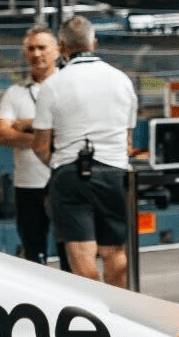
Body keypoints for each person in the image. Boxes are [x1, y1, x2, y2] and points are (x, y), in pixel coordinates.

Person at [29, 16, 139, 286]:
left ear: (63, 46)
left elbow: (41, 146)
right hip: (114, 172)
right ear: (93, 42)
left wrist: (59, 166)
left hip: (70, 175)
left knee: (82, 262)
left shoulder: (53, 85)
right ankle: (120, 315)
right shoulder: (122, 80)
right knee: (115, 253)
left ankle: (96, 317)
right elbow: (127, 141)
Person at [0, 27, 59, 262]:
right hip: (28, 186)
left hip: (63, 182)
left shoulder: (68, 86)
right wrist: (43, 138)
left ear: (57, 51)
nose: (36, 53)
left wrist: (25, 125)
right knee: (33, 253)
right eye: (31, 48)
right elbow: (0, 134)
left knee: (72, 251)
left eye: (42, 47)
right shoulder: (15, 92)